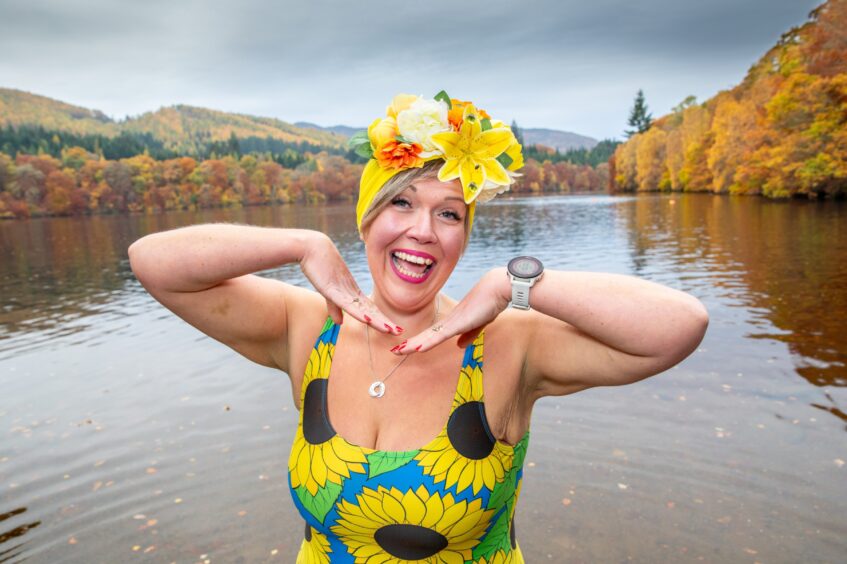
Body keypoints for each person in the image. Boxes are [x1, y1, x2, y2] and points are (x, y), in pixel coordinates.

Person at [128, 91, 709, 563]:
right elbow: (153, 262)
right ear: (367, 218)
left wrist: (514, 282)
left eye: (449, 213)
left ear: (463, 235)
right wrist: (300, 243)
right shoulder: (306, 327)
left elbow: (679, 326)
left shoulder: (510, 343)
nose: (423, 231)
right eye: (401, 204)